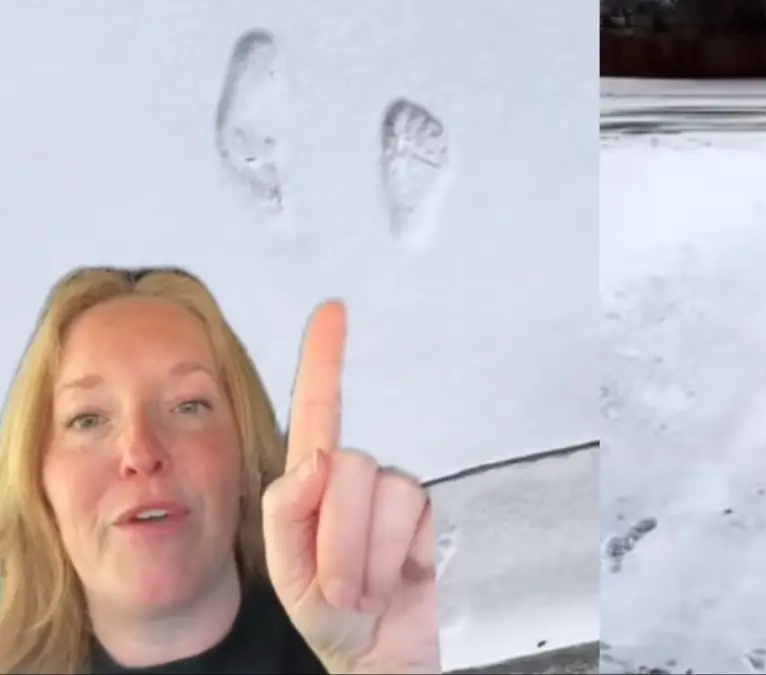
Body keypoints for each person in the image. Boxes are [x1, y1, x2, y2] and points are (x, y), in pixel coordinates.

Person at [0, 266, 440, 674]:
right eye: (88, 419)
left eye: (188, 406)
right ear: (37, 478)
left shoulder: (357, 645)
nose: (140, 452)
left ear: (245, 453)